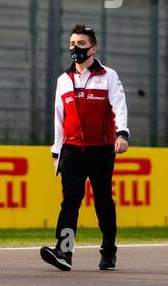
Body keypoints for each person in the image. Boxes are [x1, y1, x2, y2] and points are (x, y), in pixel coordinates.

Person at [40, 25, 129, 272]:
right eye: (72, 43)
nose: (75, 48)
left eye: (80, 43)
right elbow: (59, 119)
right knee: (70, 202)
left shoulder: (108, 76)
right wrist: (56, 152)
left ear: (93, 48)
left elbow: (120, 107)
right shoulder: (63, 80)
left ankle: (109, 249)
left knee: (102, 201)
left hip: (101, 150)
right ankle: (64, 252)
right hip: (71, 151)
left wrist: (122, 135)